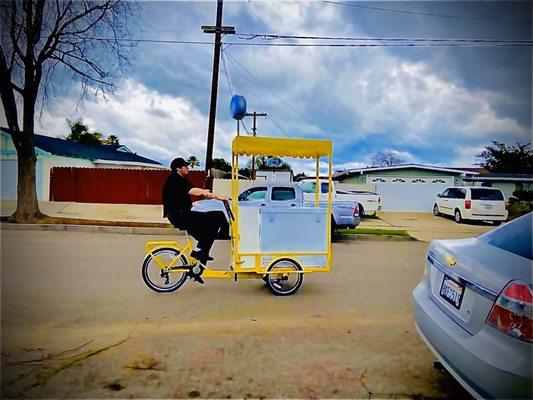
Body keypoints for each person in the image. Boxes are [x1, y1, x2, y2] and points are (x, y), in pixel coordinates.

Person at [162, 157, 229, 284]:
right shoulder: (175, 179)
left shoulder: (180, 179)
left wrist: (207, 192)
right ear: (178, 168)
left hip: (183, 215)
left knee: (207, 238)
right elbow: (193, 191)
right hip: (181, 216)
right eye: (185, 166)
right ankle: (223, 236)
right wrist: (214, 196)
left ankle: (197, 271)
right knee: (218, 216)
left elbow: (196, 189)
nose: (187, 168)